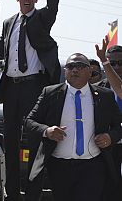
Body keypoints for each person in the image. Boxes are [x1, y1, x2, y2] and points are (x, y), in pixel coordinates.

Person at [0, 0, 60, 201]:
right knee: (9, 141)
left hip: (34, 87)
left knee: (34, 140)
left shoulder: (41, 18)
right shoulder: (9, 23)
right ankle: (11, 193)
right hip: (11, 89)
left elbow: (54, 4)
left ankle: (32, 193)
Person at [25, 53, 122, 201]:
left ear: (90, 72)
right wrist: (46, 131)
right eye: (70, 66)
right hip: (59, 166)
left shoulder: (104, 96)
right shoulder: (50, 93)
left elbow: (118, 127)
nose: (74, 70)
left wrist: (110, 137)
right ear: (65, 71)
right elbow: (30, 121)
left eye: (80, 66)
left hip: (93, 166)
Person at [95, 37, 122, 201]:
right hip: (107, 148)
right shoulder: (98, 89)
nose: (117, 67)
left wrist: (104, 60)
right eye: (113, 64)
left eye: (121, 63)